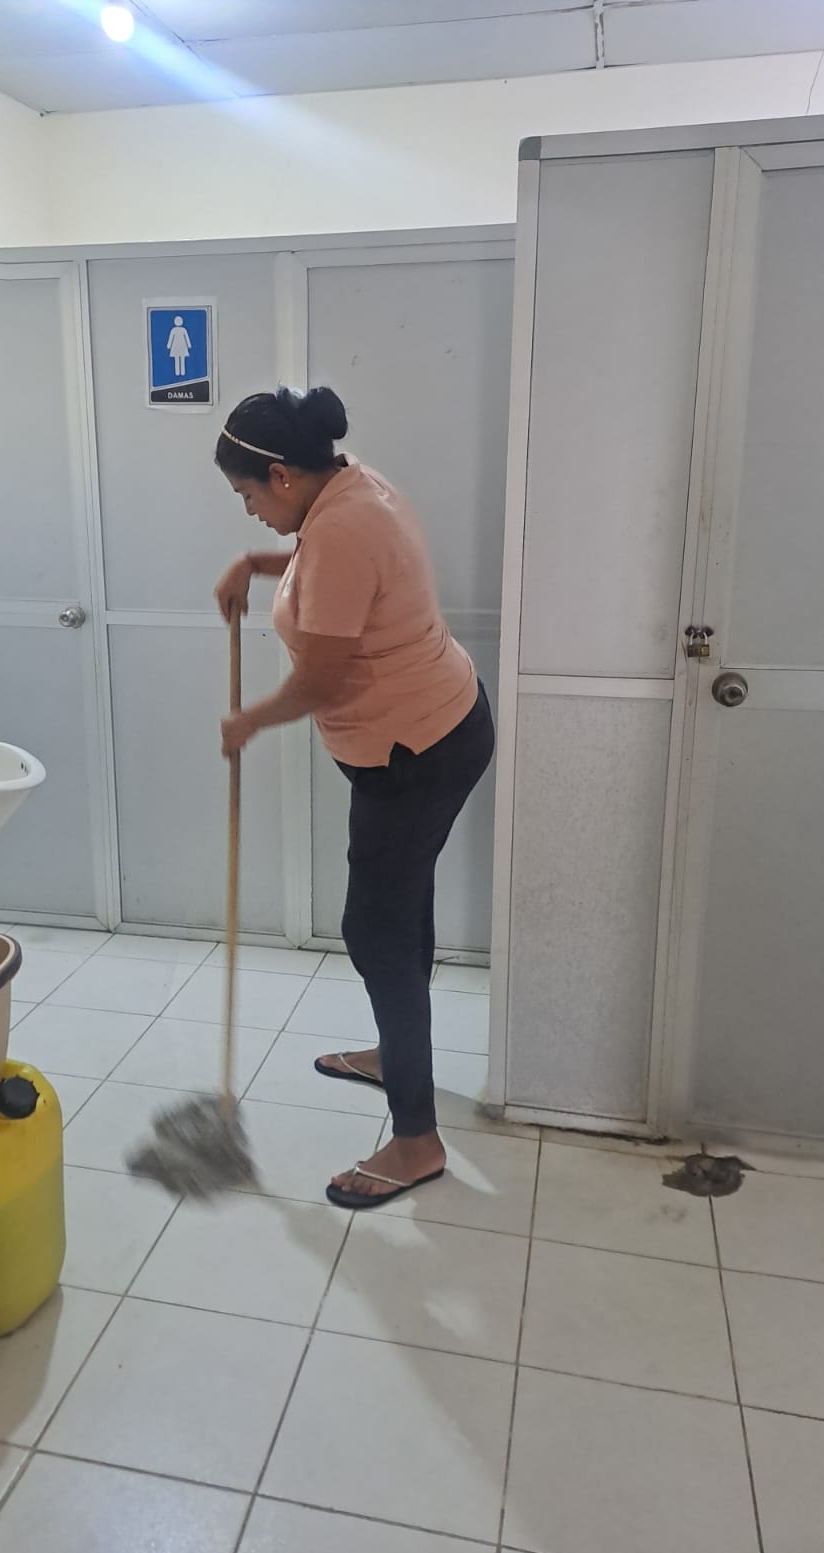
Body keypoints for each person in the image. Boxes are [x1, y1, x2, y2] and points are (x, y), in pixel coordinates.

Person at [213, 386, 495, 1210]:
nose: (251, 511)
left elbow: (322, 680)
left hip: (413, 754)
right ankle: (398, 1055)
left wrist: (248, 722)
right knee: (401, 916)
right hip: (435, 728)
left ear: (282, 476)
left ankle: (416, 1140)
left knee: (374, 931)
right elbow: (333, 571)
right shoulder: (349, 485)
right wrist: (257, 563)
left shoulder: (341, 528)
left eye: (247, 496)